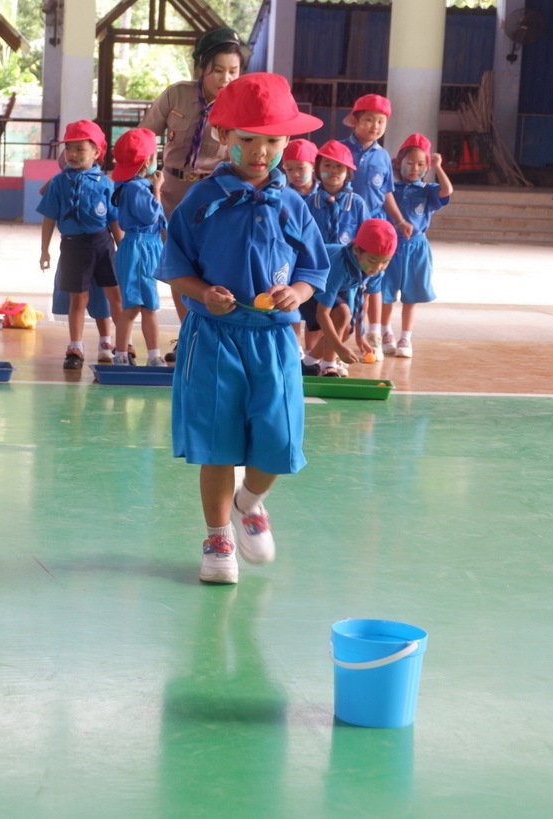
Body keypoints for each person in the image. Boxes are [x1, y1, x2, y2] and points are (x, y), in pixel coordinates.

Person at [156, 73, 329, 585]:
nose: (260, 152)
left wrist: (298, 293)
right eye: (248, 139)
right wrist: (202, 292)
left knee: (279, 438)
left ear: (287, 142)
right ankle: (217, 538)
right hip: (214, 338)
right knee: (218, 444)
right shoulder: (200, 200)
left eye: (272, 141)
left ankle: (249, 502)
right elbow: (175, 267)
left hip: (274, 338)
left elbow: (313, 270)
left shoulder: (292, 203)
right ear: (223, 135)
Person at [140, 26, 245, 341]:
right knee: (180, 265)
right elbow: (144, 136)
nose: (226, 78)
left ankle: (210, 331)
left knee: (212, 264)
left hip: (216, 195)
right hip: (173, 192)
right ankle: (190, 334)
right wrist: (140, 177)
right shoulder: (177, 95)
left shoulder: (240, 104)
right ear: (202, 68)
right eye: (218, 70)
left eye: (233, 71)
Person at [37, 120, 124, 369]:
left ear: (96, 152)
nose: (73, 154)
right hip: (73, 246)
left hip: (102, 244)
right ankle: (76, 346)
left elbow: (114, 220)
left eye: (80, 149)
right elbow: (49, 218)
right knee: (78, 298)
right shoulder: (58, 183)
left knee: (113, 295)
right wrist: (44, 250)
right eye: (69, 148)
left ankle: (114, 343)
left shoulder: (105, 184)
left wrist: (124, 250)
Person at [340, 93, 414, 359]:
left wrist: (400, 220)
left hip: (375, 226)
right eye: (369, 120)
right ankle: (340, 335)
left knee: (374, 281)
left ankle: (373, 333)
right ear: (355, 121)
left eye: (381, 121)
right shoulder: (340, 150)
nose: (375, 126)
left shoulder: (383, 156)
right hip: (346, 225)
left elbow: (386, 193)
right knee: (345, 279)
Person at [380, 133, 454, 359]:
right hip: (390, 246)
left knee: (411, 295)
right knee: (385, 293)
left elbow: (447, 191)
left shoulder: (428, 190)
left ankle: (406, 337)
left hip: (417, 247)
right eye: (410, 162)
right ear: (398, 163)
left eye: (421, 164)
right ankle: (385, 333)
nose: (415, 168)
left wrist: (438, 167)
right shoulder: (390, 188)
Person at [305, 219, 396, 376]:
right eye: (372, 261)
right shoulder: (339, 266)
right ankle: (328, 366)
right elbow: (322, 314)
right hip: (307, 280)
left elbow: (363, 301)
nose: (378, 267)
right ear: (356, 250)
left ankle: (308, 363)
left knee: (346, 330)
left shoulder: (375, 270)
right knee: (342, 314)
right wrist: (339, 349)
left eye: (385, 262)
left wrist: (360, 337)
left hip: (337, 286)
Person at [109, 127, 167, 367]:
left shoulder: (128, 185)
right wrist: (157, 189)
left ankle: (125, 354)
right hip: (142, 248)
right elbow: (152, 215)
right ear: (147, 160)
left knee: (135, 306)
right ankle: (148, 356)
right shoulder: (137, 188)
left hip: (138, 247)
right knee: (144, 306)